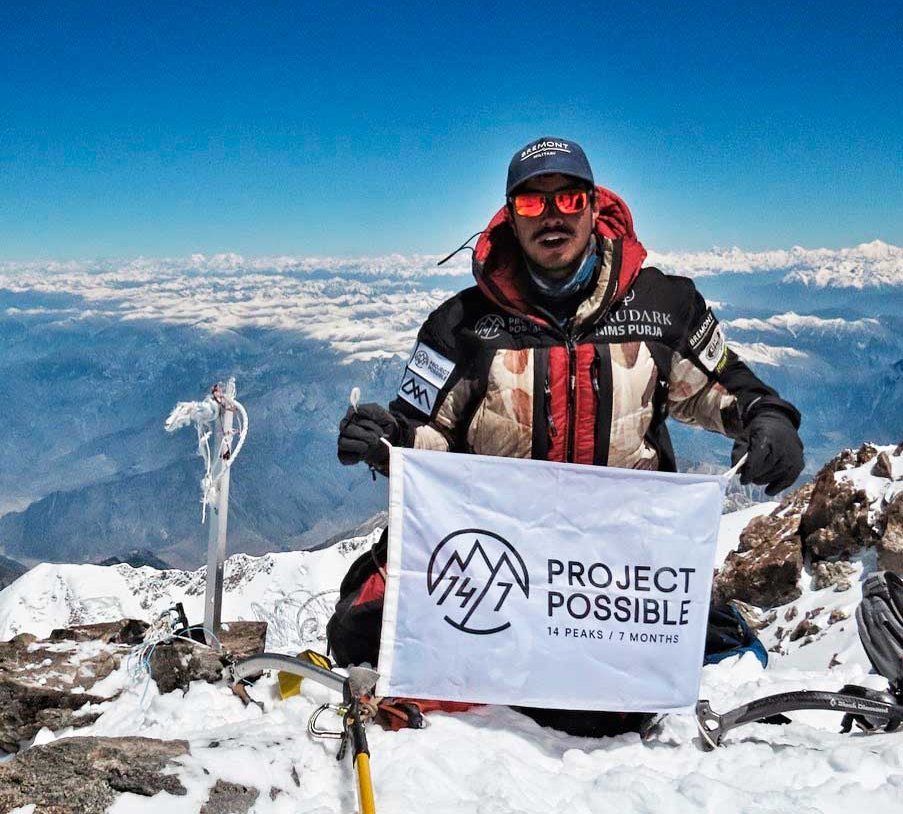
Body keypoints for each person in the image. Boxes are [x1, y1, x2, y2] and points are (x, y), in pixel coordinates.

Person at [332, 136, 804, 735]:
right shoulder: (460, 325)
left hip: (611, 567)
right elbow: (425, 431)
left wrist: (768, 419)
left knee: (603, 714)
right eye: (532, 203)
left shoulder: (664, 305)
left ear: (593, 206)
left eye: (568, 198)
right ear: (510, 216)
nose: (552, 214)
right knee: (358, 635)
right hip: (498, 557)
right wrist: (384, 439)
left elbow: (724, 387)